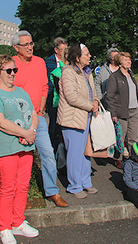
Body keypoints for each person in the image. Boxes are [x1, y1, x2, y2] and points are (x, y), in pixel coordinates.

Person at [0, 54, 40, 244]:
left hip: (26, 145)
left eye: (14, 70)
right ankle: (4, 227)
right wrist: (25, 133)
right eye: (8, 70)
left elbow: (33, 113)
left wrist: (31, 131)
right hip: (6, 147)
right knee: (8, 187)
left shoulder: (22, 92)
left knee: (23, 185)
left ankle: (18, 221)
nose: (12, 74)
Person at [11, 31, 68, 207]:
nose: (30, 47)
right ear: (16, 48)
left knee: (48, 154)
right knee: (20, 157)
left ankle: (52, 192)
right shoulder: (11, 63)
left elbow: (45, 86)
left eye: (31, 43)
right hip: (18, 119)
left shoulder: (39, 62)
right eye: (25, 44)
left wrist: (42, 108)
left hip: (38, 117)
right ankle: (18, 193)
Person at [57, 43, 100, 199]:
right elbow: (72, 96)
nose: (90, 56)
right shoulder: (68, 72)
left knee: (85, 152)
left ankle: (85, 181)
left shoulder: (86, 72)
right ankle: (74, 186)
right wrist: (91, 105)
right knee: (75, 153)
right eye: (87, 54)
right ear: (77, 57)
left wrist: (96, 102)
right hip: (72, 119)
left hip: (86, 117)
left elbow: (93, 92)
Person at [107, 52, 138, 158]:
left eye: (129, 59)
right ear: (119, 63)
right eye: (125, 59)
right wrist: (113, 113)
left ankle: (133, 158)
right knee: (121, 137)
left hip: (134, 110)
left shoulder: (131, 74)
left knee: (134, 137)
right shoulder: (114, 77)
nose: (128, 61)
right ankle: (119, 158)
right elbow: (110, 96)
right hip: (121, 112)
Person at [45, 37, 68, 153]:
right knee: (54, 125)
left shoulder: (69, 62)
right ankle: (53, 150)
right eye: (62, 49)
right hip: (53, 99)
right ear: (56, 50)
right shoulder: (48, 62)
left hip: (66, 100)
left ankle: (63, 151)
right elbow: (46, 81)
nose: (65, 52)